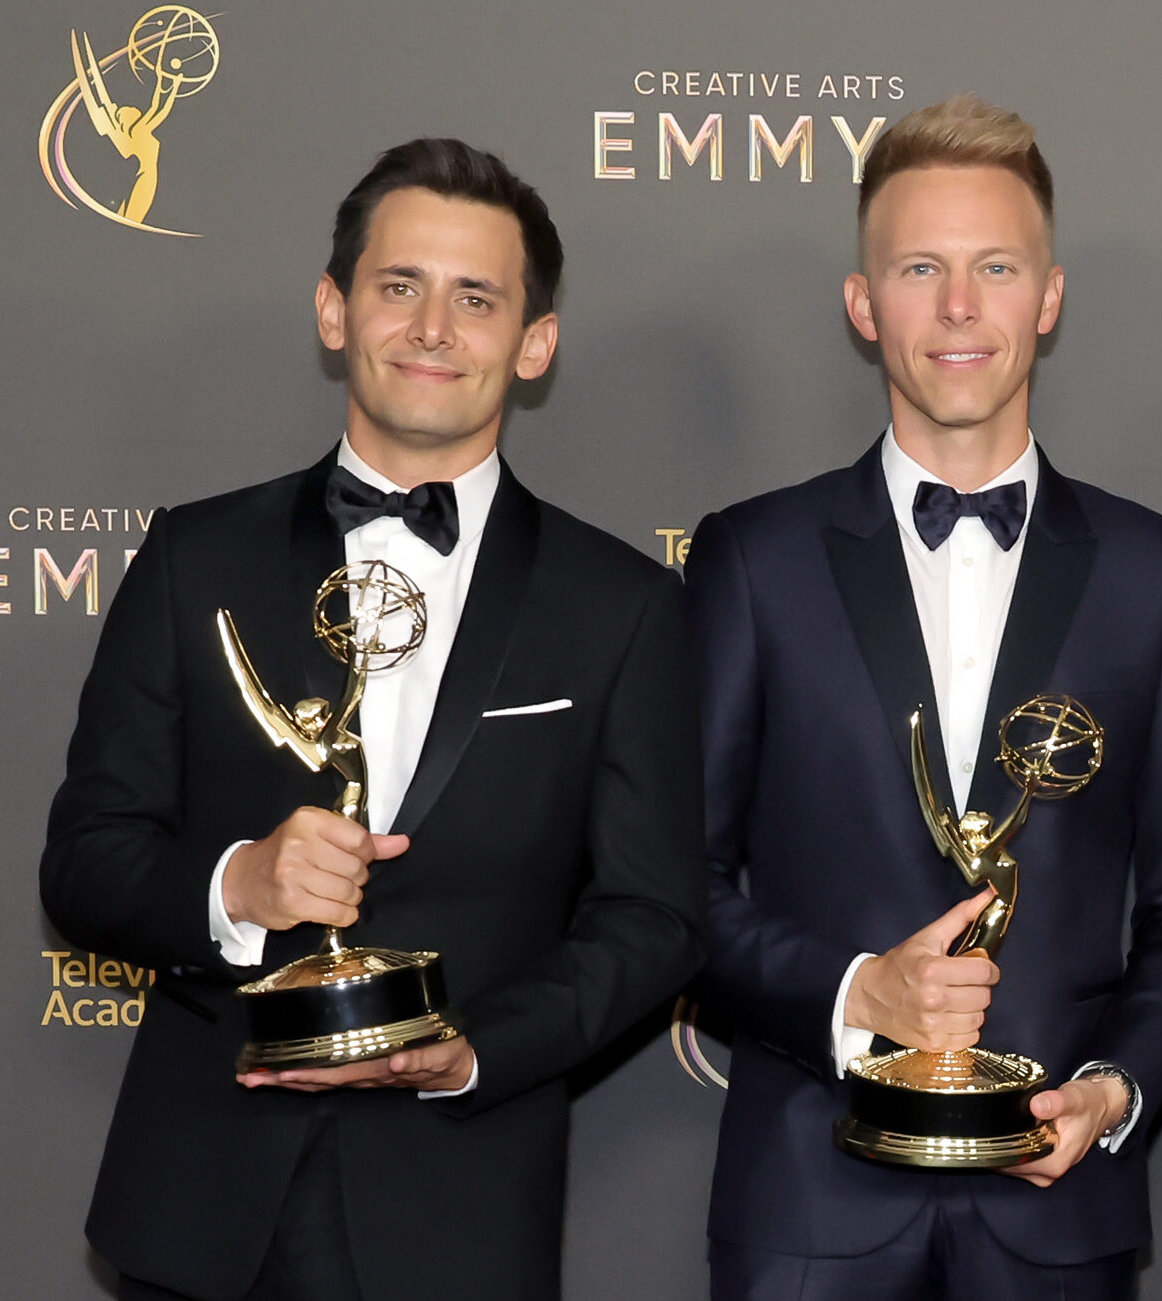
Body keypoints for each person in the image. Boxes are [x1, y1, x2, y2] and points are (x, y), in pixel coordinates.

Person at [40, 138, 708, 1301]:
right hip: (196, 1215)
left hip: (459, 1211)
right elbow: (88, 859)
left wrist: (478, 1047)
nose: (433, 328)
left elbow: (654, 916)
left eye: (476, 297)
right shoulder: (195, 558)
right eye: (400, 285)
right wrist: (235, 884)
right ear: (335, 309)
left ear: (534, 341)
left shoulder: (624, 608)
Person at [685, 94, 1162, 1300]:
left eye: (994, 267)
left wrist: (1117, 1085)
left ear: (1047, 299)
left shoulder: (1157, 573)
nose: (956, 307)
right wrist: (854, 992)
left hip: (1059, 1202)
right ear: (862, 302)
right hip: (806, 1204)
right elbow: (674, 884)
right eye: (919, 267)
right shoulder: (752, 559)